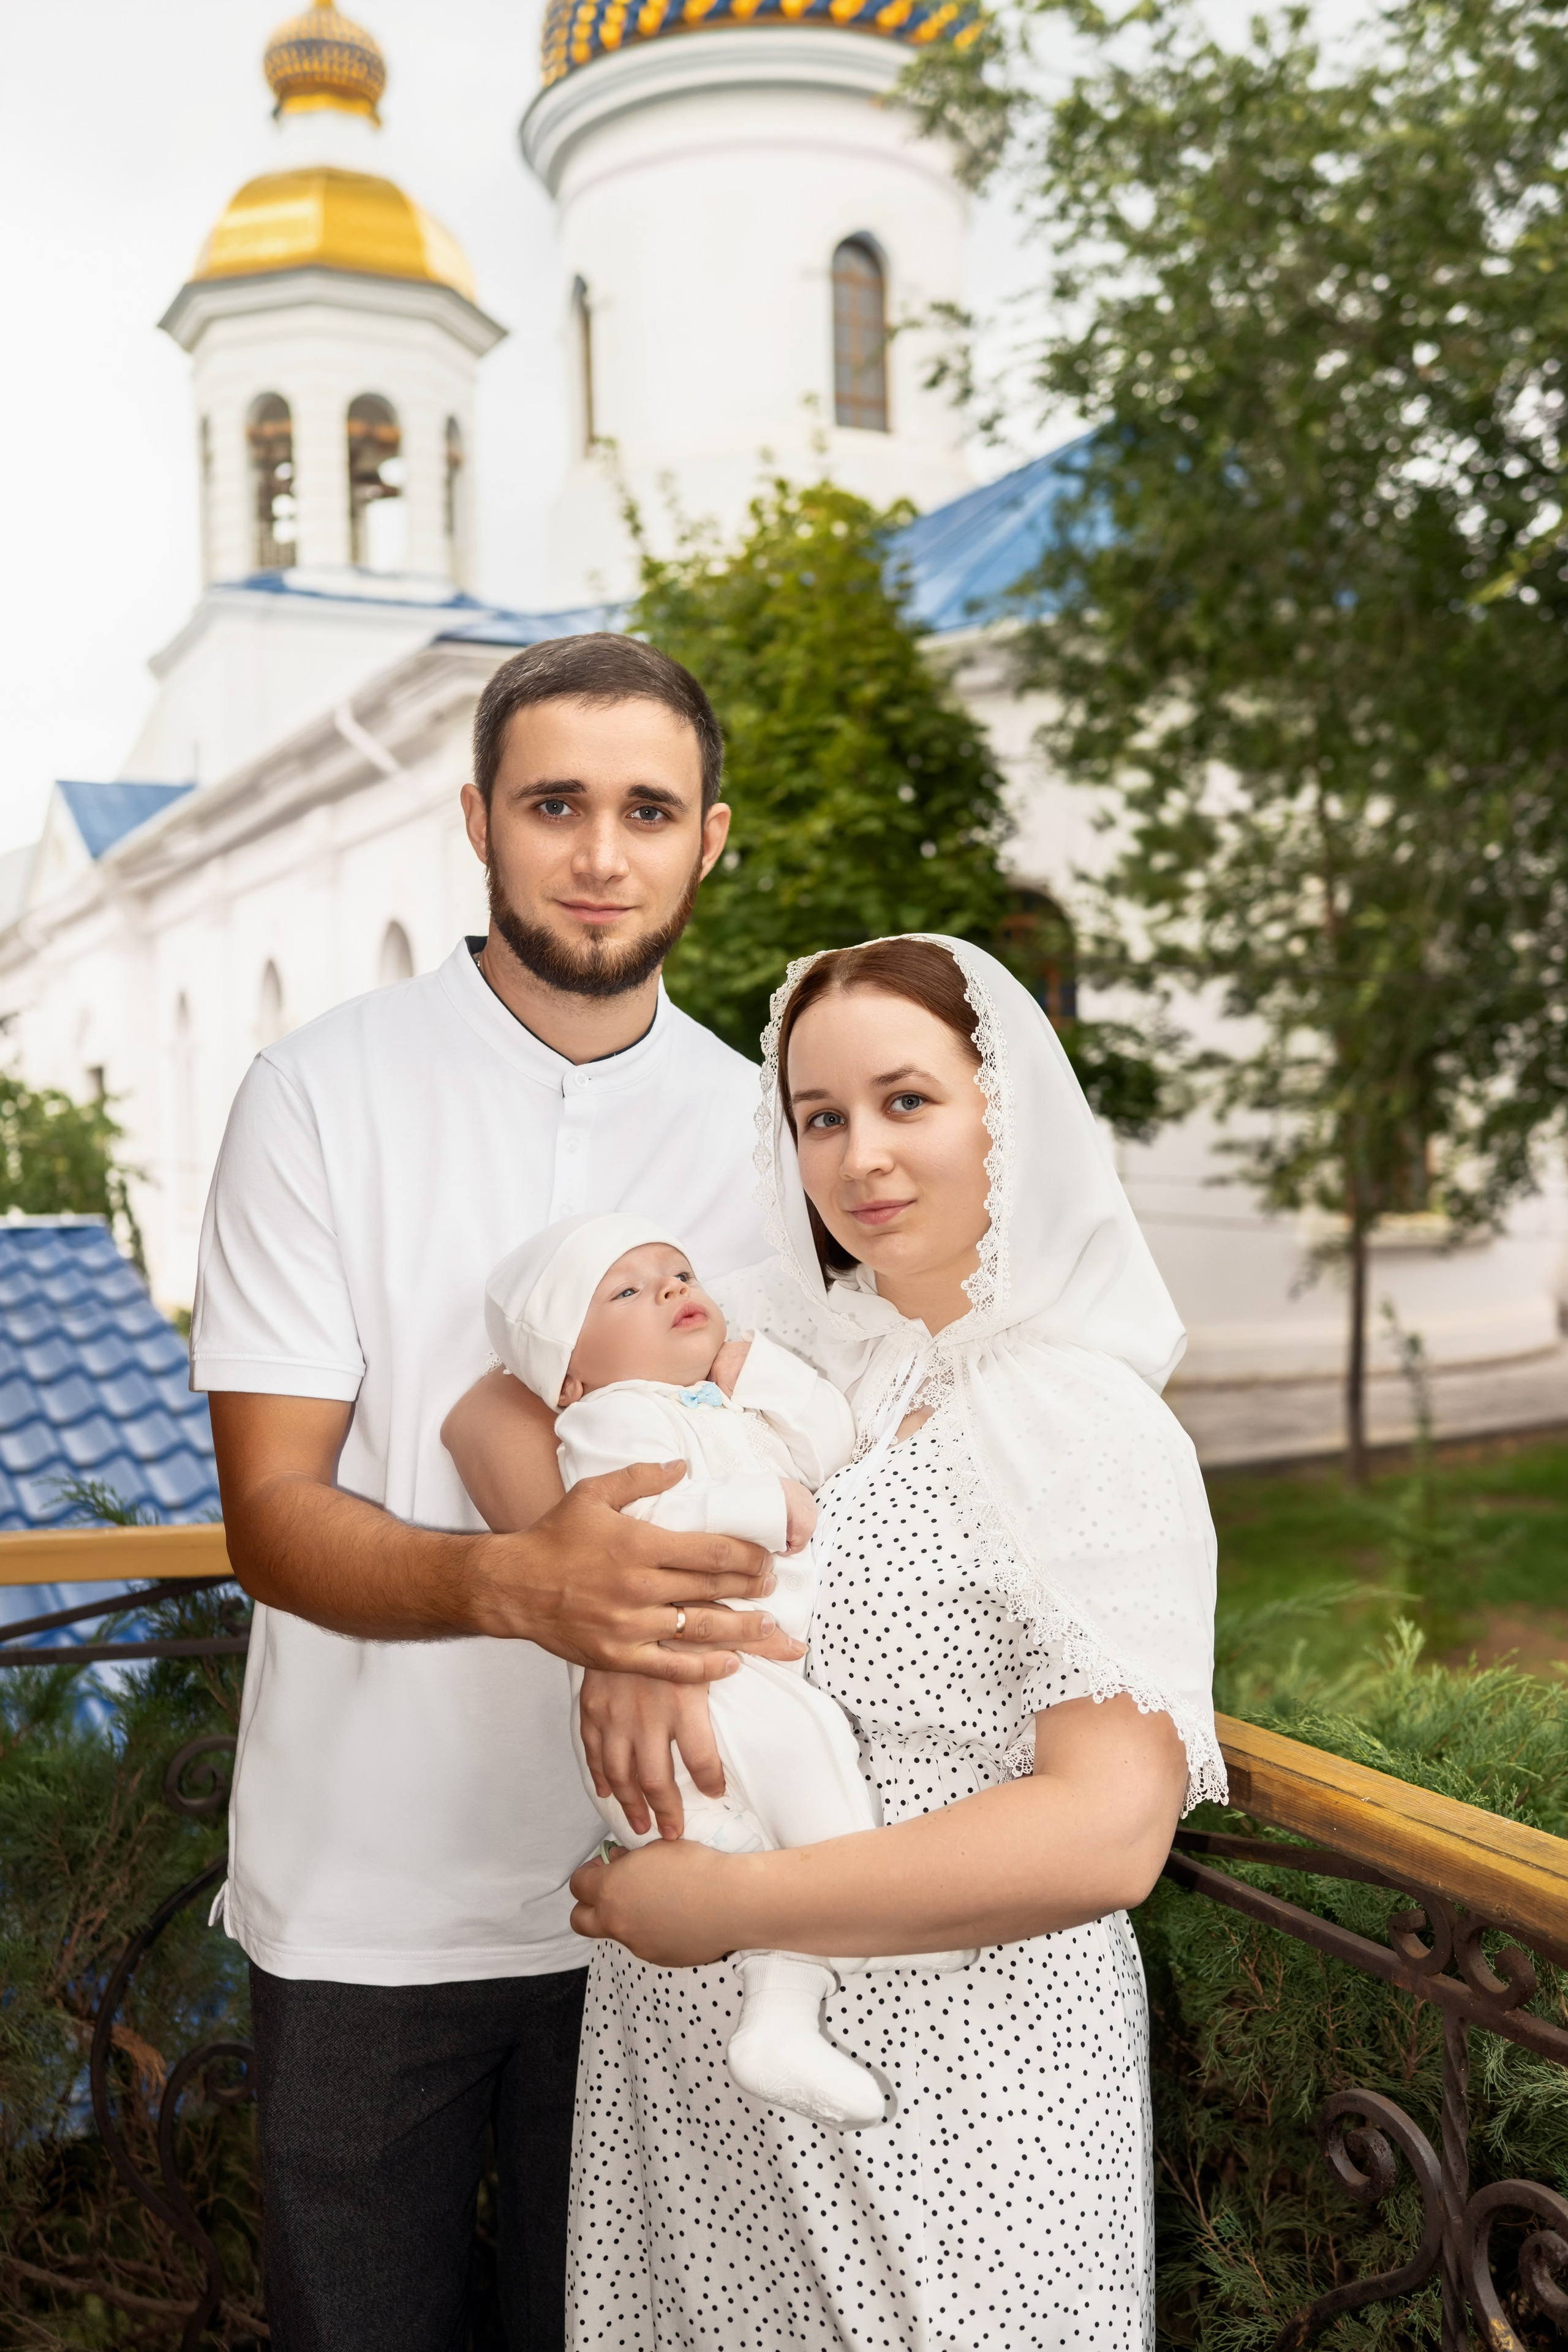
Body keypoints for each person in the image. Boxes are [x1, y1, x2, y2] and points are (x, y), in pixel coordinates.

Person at [190, 634, 790, 2352]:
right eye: (553, 805)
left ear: (709, 840)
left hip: (674, 1894)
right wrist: (521, 1583)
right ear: (476, 821)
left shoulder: (767, 1133)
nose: (601, 854)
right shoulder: (317, 1096)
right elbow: (269, 1514)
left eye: (647, 811)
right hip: (367, 1898)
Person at [560, 934, 1223, 2347]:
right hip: (707, 2104)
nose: (858, 1155)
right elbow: (516, 1386)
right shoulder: (809, 1355)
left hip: (952, 2104)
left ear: (1006, 1113)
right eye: (819, 1116)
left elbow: (1107, 1834)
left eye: (906, 1100)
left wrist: (726, 1910)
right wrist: (617, 1626)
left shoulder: (1081, 1423)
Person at [480, 1210, 972, 2130]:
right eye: (628, 1291)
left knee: (770, 1852)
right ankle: (870, 1916)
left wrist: (766, 1379)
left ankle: (779, 2020)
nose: (672, 1288)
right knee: (806, 1749)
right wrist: (758, 1503)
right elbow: (625, 1533)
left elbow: (832, 1449)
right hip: (696, 1677)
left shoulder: (720, 1402)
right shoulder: (610, 1418)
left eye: (679, 1272)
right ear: (570, 1376)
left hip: (739, 1665)